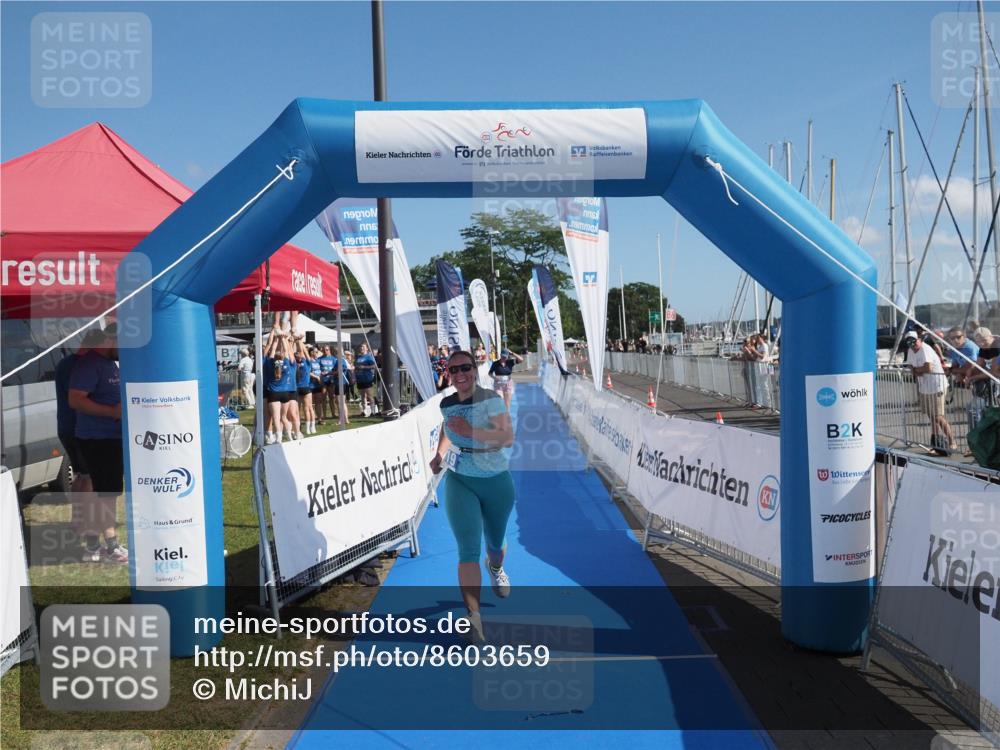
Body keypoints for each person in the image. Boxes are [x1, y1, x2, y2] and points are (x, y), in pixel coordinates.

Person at [429, 350, 516, 643]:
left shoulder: (490, 399)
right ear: (449, 375)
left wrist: (471, 430)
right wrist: (440, 453)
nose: (460, 374)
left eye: (465, 367)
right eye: (454, 370)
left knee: (495, 543)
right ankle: (474, 618)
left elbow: (506, 438)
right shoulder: (447, 403)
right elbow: (447, 425)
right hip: (460, 479)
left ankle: (497, 567)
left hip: (496, 480)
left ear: (475, 371)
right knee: (467, 550)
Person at [67, 325, 128, 564]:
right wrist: (112, 411)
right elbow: (75, 400)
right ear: (111, 339)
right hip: (98, 438)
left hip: (108, 438)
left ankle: (94, 545)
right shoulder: (89, 364)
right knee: (107, 493)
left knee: (102, 490)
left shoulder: (108, 363)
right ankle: (111, 547)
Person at [905, 331, 955, 453]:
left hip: (937, 386)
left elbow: (928, 368)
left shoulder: (925, 349)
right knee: (931, 416)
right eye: (910, 342)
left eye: (914, 341)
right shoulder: (911, 350)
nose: (913, 344)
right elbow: (911, 367)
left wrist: (917, 371)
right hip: (925, 387)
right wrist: (917, 371)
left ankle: (952, 442)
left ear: (919, 340)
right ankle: (936, 443)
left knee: (938, 416)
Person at [54, 341, 92, 496]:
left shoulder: (63, 364)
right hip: (82, 428)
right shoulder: (85, 366)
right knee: (91, 476)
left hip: (65, 427)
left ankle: (79, 514)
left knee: (79, 474)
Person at [263, 325, 300, 443]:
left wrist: (276, 339)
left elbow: (271, 351)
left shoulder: (269, 364)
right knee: (284, 417)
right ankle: (289, 436)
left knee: (276, 418)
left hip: (274, 394)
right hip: (286, 394)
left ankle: (278, 438)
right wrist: (283, 339)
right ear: (283, 357)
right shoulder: (288, 364)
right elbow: (289, 352)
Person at [295, 341, 317, 435]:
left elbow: (303, 351)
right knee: (297, 409)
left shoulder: (307, 362)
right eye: (297, 355)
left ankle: (311, 426)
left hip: (306, 387)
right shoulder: (294, 362)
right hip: (297, 388)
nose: (299, 355)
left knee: (308, 408)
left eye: (299, 354)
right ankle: (298, 427)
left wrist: (299, 341)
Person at [355, 343, 378, 417]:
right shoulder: (358, 357)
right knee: (362, 396)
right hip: (359, 379)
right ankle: (364, 411)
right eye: (361, 346)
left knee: (370, 396)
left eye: (363, 347)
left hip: (367, 379)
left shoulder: (369, 357)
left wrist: (364, 367)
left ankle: (373, 411)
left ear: (367, 349)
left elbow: (374, 366)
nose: (361, 348)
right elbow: (356, 366)